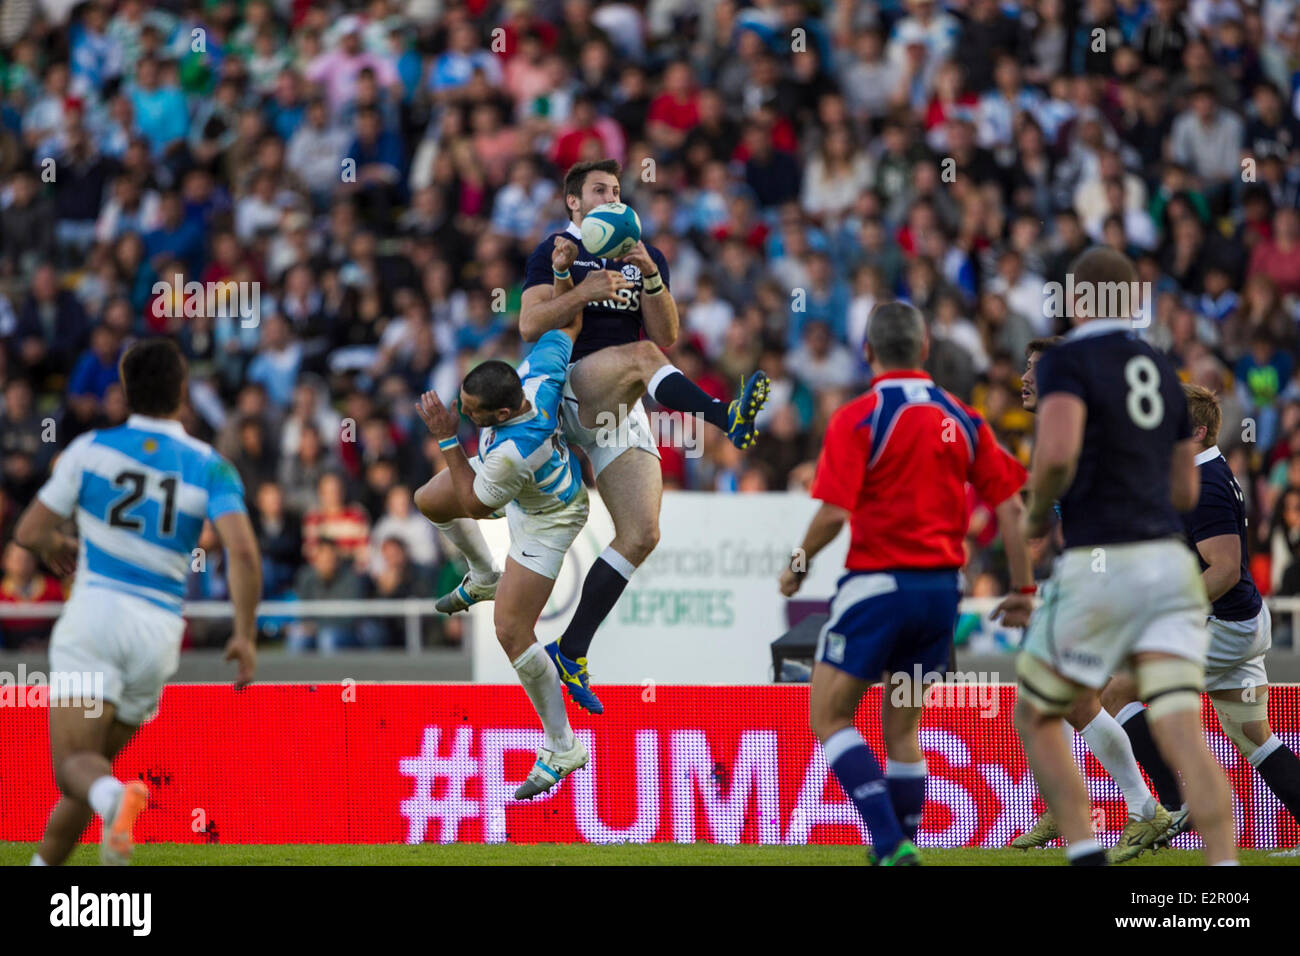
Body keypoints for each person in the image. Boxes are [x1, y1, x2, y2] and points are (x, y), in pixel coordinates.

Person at [779, 302, 1034, 865]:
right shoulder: (963, 418)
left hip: (878, 588)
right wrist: (1023, 590)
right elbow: (1012, 509)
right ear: (924, 350)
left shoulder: (859, 416)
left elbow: (832, 515)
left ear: (867, 353)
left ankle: (890, 843)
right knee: (901, 730)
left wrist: (797, 564)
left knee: (829, 716)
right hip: (941, 595)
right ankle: (899, 848)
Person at [517, 158, 770, 713]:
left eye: (616, 190)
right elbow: (530, 326)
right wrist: (582, 289)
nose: (612, 197)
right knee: (640, 356)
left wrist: (649, 276)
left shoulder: (644, 254)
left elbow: (669, 334)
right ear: (574, 204)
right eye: (599, 191)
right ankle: (725, 416)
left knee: (641, 532)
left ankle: (572, 647)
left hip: (620, 404)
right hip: (571, 387)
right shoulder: (557, 249)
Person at [1015, 247, 1236, 866]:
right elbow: (1185, 489)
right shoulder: (1159, 367)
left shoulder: (1069, 361)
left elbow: (1055, 456)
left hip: (1101, 562)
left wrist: (1036, 517)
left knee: (1035, 709)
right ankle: (1226, 880)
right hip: (1167, 564)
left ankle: (1085, 851)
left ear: (1080, 299)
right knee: (1180, 727)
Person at [14, 338, 260, 866]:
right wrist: (243, 632)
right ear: (183, 393)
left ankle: (116, 801)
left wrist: (55, 543)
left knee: (74, 767)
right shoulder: (211, 464)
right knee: (93, 768)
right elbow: (242, 551)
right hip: (158, 633)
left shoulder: (90, 449)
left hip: (95, 617)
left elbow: (29, 531)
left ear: (124, 392)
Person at [1100, 384, 1300, 845]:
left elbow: (1225, 569)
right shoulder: (1200, 473)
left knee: (1114, 692)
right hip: (1241, 620)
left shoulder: (1206, 485)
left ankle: (1172, 805)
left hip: (1222, 626)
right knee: (1255, 737)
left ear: (1197, 431)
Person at [412, 316, 591, 799]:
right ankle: (483, 574)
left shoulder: (515, 449)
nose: (463, 412)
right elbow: (564, 328)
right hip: (516, 487)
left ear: (504, 410)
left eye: (471, 412)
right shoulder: (537, 374)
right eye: (462, 406)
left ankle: (563, 745)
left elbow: (476, 503)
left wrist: (448, 438)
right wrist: (564, 273)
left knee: (511, 630)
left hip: (550, 515)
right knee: (428, 499)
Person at [1012, 335, 1175, 862]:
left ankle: (1144, 808)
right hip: (1091, 575)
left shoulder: (1073, 428)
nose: (1024, 377)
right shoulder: (1064, 426)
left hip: (1103, 577)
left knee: (1071, 699)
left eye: (1036, 367)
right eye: (1025, 366)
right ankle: (1085, 803)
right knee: (1054, 697)